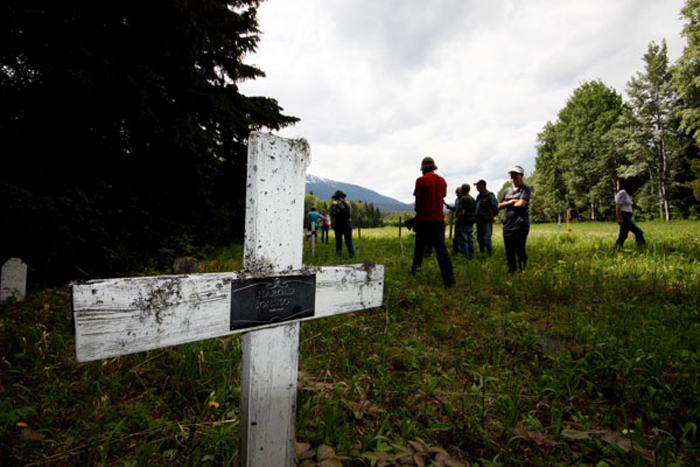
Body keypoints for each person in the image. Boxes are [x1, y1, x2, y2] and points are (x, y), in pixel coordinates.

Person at [411, 157, 455, 288]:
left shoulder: (420, 180)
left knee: (419, 249)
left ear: (423, 167)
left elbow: (418, 203)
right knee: (441, 251)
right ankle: (449, 281)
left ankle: (415, 274)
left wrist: (418, 212)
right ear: (434, 166)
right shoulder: (442, 181)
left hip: (424, 220)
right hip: (439, 220)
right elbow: (443, 196)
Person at [498, 165, 531, 273]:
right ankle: (511, 270)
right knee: (509, 250)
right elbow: (498, 206)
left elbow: (521, 204)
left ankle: (522, 269)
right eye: (511, 174)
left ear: (521, 176)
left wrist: (507, 204)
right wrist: (511, 202)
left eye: (515, 174)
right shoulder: (506, 190)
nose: (513, 176)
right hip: (508, 224)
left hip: (520, 224)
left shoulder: (525, 189)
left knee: (520, 249)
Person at [615, 177, 646, 248]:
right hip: (624, 215)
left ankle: (617, 247)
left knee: (623, 235)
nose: (636, 187)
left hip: (628, 215)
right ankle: (641, 247)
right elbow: (618, 205)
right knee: (638, 232)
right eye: (635, 185)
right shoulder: (622, 192)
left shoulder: (628, 194)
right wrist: (619, 218)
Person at [474, 179, 498, 257]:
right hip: (479, 219)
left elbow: (495, 207)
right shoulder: (478, 196)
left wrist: (492, 216)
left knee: (487, 239)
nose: (477, 187)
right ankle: (483, 253)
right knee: (480, 238)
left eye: (478, 186)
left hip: (487, 220)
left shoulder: (489, 195)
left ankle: (490, 255)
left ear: (483, 186)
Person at [330, 190, 355, 257]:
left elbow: (332, 214)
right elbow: (350, 214)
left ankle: (339, 254)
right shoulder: (348, 203)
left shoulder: (335, 203)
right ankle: (351, 253)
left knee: (338, 240)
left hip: (338, 224)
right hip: (347, 222)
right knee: (348, 240)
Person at [456, 183, 477, 259]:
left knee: (463, 240)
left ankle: (465, 256)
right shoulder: (472, 199)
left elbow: (462, 212)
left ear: (462, 190)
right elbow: (475, 211)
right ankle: (472, 255)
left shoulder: (463, 199)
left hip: (464, 221)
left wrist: (458, 220)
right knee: (470, 239)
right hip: (471, 221)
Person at [445, 187, 462, 254]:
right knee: (456, 237)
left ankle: (461, 251)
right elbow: (455, 208)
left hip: (462, 220)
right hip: (458, 219)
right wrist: (449, 207)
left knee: (461, 237)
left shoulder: (463, 200)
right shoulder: (457, 200)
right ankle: (455, 251)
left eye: (457, 192)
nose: (457, 194)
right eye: (456, 192)